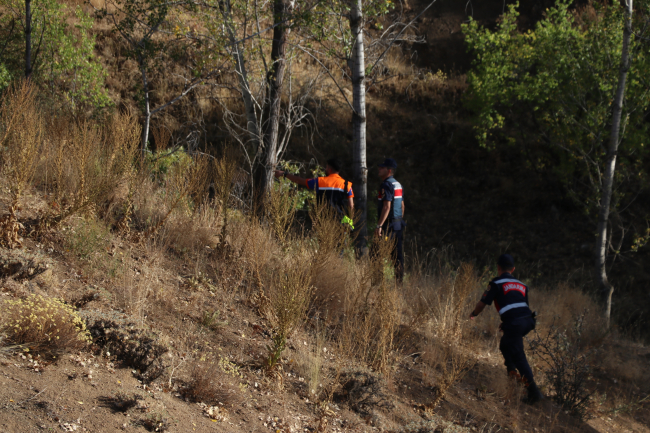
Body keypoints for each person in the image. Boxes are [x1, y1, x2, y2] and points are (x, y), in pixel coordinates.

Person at [469, 254, 543, 404]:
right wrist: (507, 322)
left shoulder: (496, 282)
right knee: (505, 344)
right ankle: (512, 373)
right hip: (527, 320)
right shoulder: (522, 285)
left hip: (515, 323)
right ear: (513, 269)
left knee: (519, 355)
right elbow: (521, 306)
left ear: (498, 268)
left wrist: (473, 314)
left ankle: (534, 392)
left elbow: (482, 303)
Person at [274, 157, 354, 217]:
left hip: (323, 221)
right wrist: (350, 220)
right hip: (340, 221)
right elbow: (351, 206)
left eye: (326, 167)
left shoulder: (320, 182)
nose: (325, 169)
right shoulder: (347, 185)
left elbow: (300, 180)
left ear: (329, 169)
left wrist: (284, 174)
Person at [374, 158, 405, 282]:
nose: (379, 169)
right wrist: (399, 220)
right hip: (398, 225)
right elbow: (402, 206)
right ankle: (399, 284)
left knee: (375, 255)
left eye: (382, 167)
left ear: (389, 170)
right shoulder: (398, 184)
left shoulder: (386, 184)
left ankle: (377, 284)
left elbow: (386, 207)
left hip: (388, 227)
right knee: (397, 256)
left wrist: (379, 226)